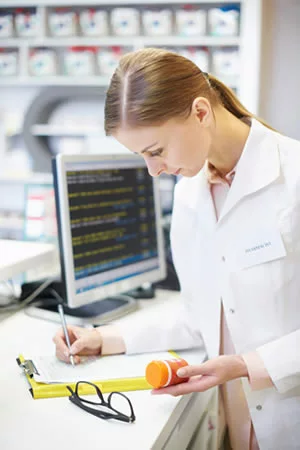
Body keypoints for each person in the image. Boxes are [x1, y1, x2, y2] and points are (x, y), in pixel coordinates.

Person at [53, 48, 300, 450]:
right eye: (141, 156)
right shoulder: (191, 193)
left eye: (156, 151)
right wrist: (105, 338)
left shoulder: (294, 176)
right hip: (236, 424)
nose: (153, 170)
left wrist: (243, 366)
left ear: (201, 112)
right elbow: (202, 314)